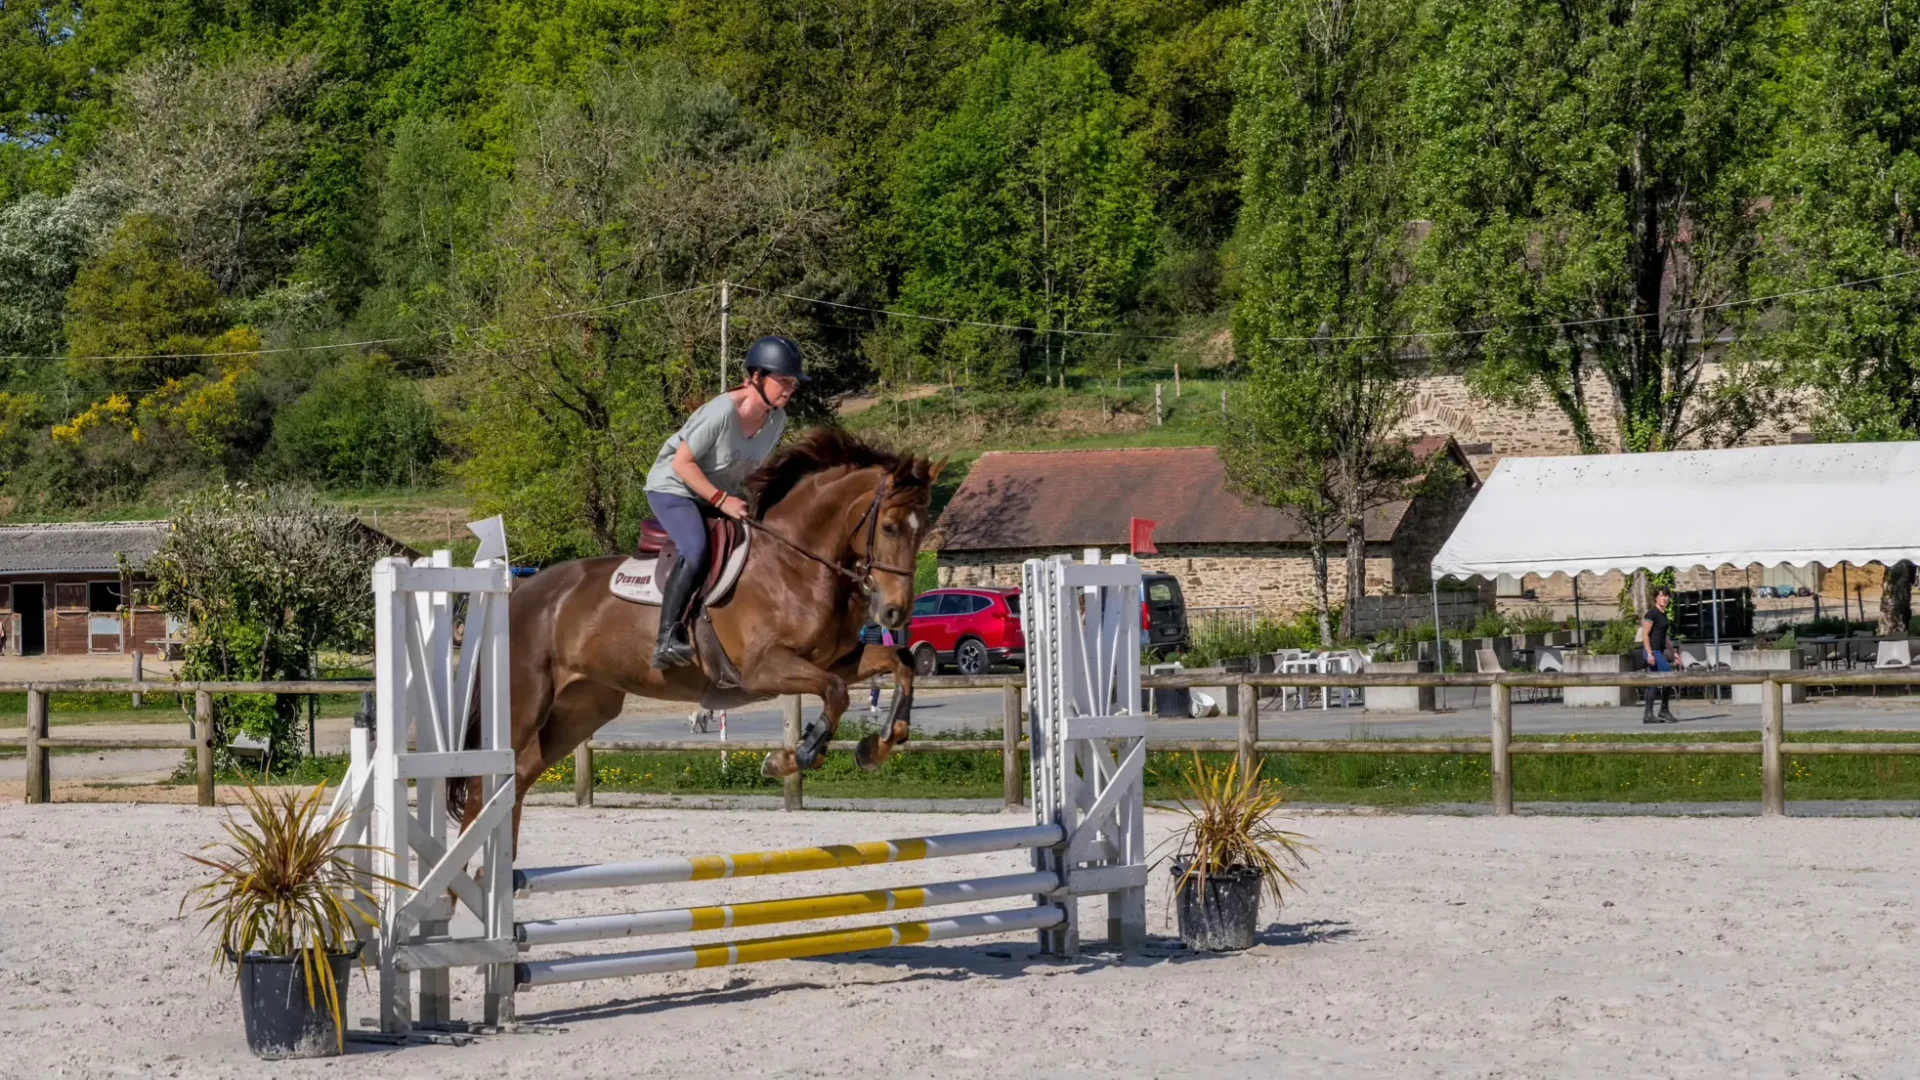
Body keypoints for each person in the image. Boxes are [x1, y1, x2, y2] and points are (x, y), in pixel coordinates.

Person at [643, 335, 807, 668]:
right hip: (673, 487)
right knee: (696, 548)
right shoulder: (721, 411)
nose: (790, 389)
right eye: (784, 381)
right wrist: (722, 500)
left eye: (793, 383)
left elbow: (753, 474)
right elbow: (682, 463)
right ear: (757, 377)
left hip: (718, 496)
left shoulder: (777, 420)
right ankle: (666, 639)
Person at [1640, 586, 1681, 723]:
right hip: (1652, 651)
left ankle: (1648, 715)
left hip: (1658, 651)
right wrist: (1650, 653)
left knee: (1653, 682)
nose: (1664, 598)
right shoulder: (1652, 614)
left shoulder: (1663, 616)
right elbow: (1645, 634)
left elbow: (1665, 638)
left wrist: (1674, 652)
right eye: (1661, 595)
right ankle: (1663, 710)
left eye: (1666, 596)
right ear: (1656, 598)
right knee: (1668, 675)